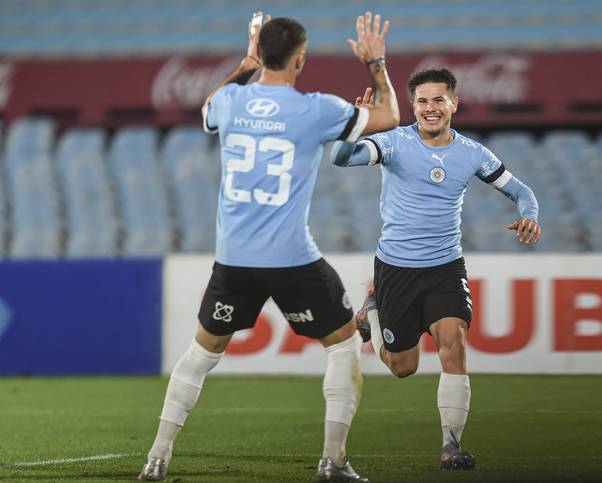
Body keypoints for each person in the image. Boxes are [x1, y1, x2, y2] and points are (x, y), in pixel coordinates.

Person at [138, 11, 399, 482]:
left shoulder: (232, 102)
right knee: (343, 347)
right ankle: (333, 462)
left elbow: (207, 110)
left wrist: (244, 64)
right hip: (291, 259)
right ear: (300, 59)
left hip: (233, 260)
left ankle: (157, 457)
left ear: (263, 53)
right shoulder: (316, 108)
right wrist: (375, 63)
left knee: (199, 356)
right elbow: (391, 117)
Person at [328, 68, 540, 471]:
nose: (430, 108)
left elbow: (521, 190)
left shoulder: (474, 153)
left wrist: (530, 214)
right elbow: (341, 159)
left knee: (454, 342)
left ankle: (451, 445)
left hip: (445, 266)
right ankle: (371, 307)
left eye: (438, 100)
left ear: (453, 104)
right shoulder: (393, 142)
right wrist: (353, 127)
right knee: (403, 367)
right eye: (423, 101)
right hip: (396, 270)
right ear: (413, 106)